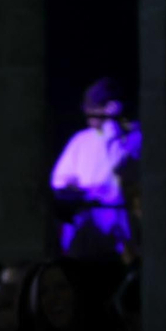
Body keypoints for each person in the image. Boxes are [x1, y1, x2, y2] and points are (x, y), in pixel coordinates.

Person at [51, 77, 141, 260]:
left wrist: (112, 129)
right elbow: (58, 179)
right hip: (85, 226)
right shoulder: (81, 139)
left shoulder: (133, 137)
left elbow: (121, 166)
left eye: (94, 108)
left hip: (119, 228)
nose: (88, 113)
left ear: (112, 107)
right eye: (87, 107)